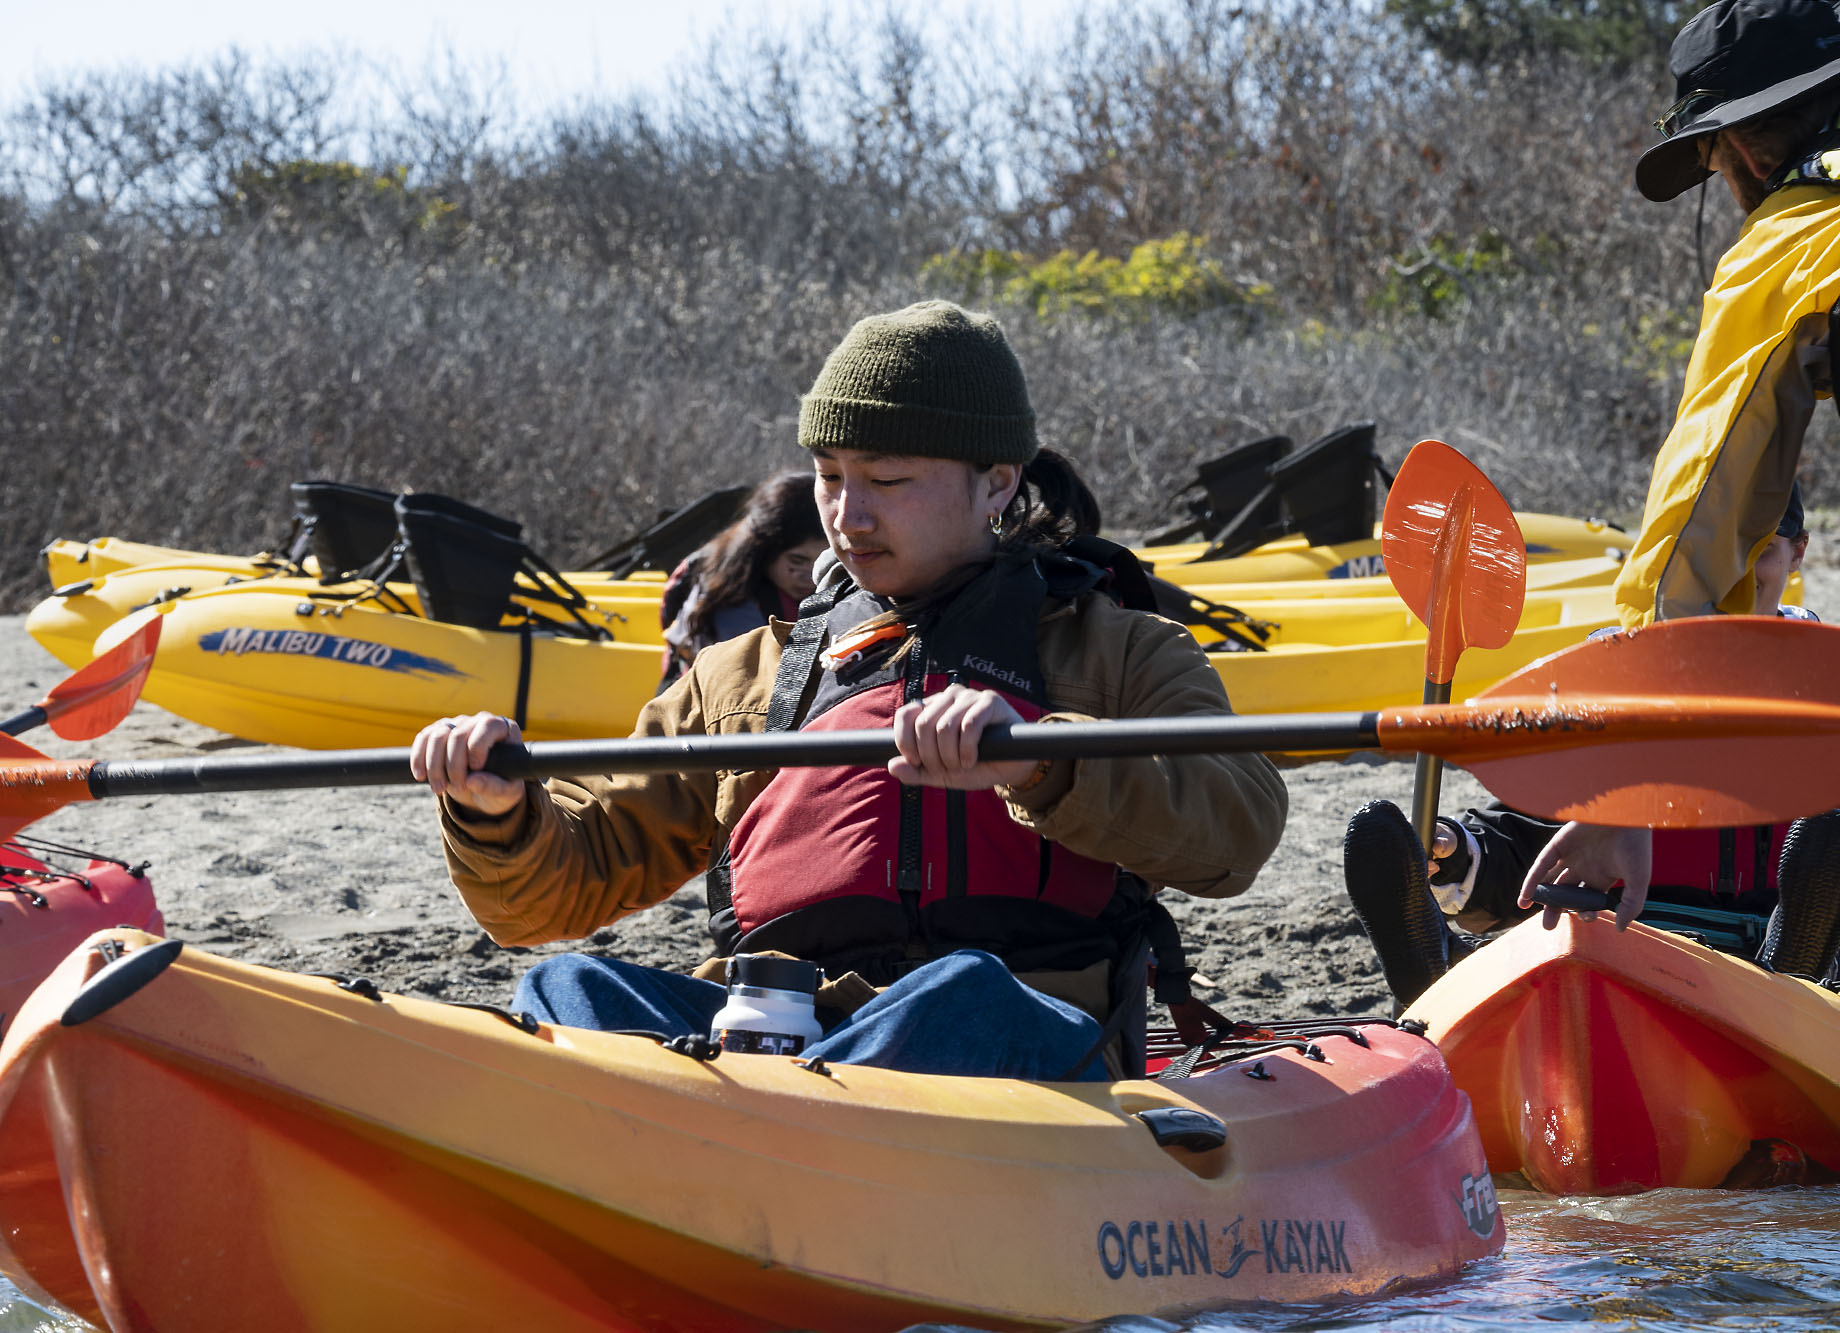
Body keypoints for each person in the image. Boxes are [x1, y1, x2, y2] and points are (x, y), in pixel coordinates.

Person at [412, 300, 1288, 1081]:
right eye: (829, 476)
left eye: (887, 480)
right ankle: (770, 1122)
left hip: (1020, 1029)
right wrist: (498, 813)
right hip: (778, 1028)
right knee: (564, 987)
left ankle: (758, 1128)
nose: (846, 515)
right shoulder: (740, 675)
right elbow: (552, 895)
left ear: (997, 481)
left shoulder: (1123, 650)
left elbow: (1240, 829)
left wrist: (1040, 759)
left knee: (963, 992)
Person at [1496, 0, 1840, 928]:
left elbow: (1698, 507)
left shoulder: (1800, 231)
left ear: (1749, 152)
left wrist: (1628, 784)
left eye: (1714, 162)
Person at [1346, 489, 1840, 1006]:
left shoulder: (1826, 680)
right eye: (1710, 555)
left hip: (1789, 961)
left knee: (1827, 843)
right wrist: (1457, 851)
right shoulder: (1613, 676)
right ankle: (1435, 972)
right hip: (1627, 951)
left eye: (1759, 550)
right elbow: (1540, 826)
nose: (1733, 575)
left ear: (1798, 552)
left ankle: (1795, 970)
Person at [657, 472, 825, 689]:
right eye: (796, 561)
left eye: (822, 561)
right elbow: (748, 686)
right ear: (764, 549)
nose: (810, 576)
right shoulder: (729, 601)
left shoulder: (826, 583)